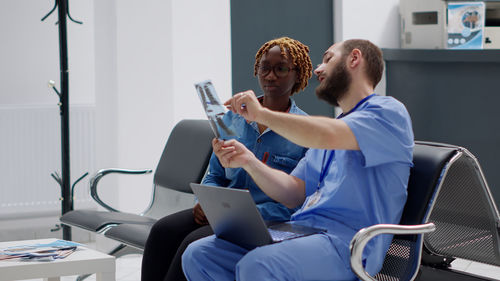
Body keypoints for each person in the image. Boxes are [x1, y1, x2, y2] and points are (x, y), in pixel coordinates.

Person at [181, 39, 414, 281]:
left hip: (350, 243)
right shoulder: (333, 131)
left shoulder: (387, 113)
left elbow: (329, 134)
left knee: (259, 265)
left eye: (328, 59)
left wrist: (261, 114)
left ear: (354, 58)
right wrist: (248, 161)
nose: (317, 70)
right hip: (302, 231)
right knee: (200, 255)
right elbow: (293, 192)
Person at [141, 37, 313, 281]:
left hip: (267, 221)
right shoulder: (232, 120)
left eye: (281, 68)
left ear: (298, 75)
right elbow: (215, 174)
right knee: (162, 231)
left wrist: (240, 214)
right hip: (221, 214)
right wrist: (206, 201)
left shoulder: (303, 131)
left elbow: (296, 201)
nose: (271, 75)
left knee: (191, 243)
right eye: (265, 67)